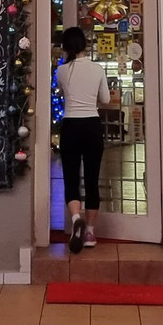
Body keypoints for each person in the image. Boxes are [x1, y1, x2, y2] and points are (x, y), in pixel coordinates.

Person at [56, 26, 110, 253]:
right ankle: (89, 232)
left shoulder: (62, 71)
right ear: (84, 45)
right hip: (91, 126)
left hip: (70, 125)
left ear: (66, 47)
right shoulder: (97, 69)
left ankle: (76, 218)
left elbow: (62, 93)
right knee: (91, 179)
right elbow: (105, 99)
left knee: (70, 177)